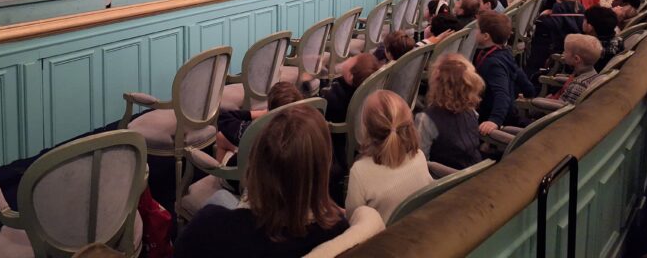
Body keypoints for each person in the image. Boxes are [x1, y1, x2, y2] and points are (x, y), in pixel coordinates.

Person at [174, 106, 348, 257]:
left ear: (256, 161)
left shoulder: (208, 230)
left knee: (220, 196)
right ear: (323, 170)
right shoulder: (339, 230)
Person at [345, 90, 433, 223]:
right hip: (418, 229)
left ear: (365, 129)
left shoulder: (360, 172)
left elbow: (353, 220)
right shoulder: (418, 156)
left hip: (383, 240)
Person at [416, 54, 484, 169]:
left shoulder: (425, 119)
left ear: (435, 82)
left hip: (447, 180)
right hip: (475, 172)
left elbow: (420, 163)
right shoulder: (472, 112)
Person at [475, 11, 535, 135]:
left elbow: (502, 94)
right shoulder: (504, 51)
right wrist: (529, 92)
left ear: (486, 36)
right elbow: (519, 74)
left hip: (491, 115)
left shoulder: (493, 63)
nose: (474, 32)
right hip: (506, 110)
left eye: (477, 29)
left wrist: (494, 121)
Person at [215, 81, 303, 165]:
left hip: (254, 175)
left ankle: (220, 179)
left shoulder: (254, 131)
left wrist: (256, 113)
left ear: (270, 111)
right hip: (289, 173)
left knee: (221, 137)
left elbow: (224, 119)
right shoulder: (305, 131)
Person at [525, 0, 585, 82]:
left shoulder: (558, 6)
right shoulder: (579, 6)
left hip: (559, 45)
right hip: (576, 44)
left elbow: (556, 25)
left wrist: (543, 17)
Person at [553, 34, 602, 105]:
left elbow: (565, 110)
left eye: (565, 51)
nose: (563, 53)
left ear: (576, 59)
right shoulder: (591, 73)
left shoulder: (578, 86)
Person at [582, 6, 622, 72]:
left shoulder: (592, 50)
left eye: (584, 19)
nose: (582, 21)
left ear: (590, 27)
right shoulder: (619, 40)